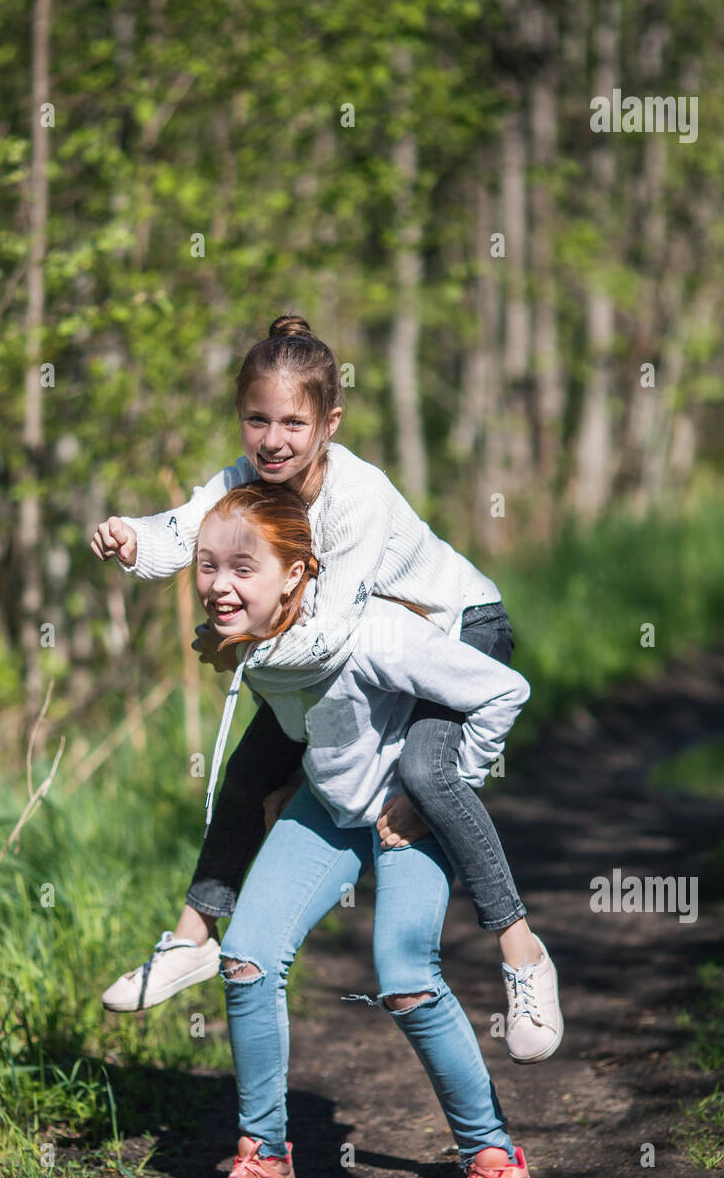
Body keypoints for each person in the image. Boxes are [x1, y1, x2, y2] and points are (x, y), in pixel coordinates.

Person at [94, 313, 562, 1063]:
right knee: (251, 771)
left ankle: (522, 952)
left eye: (292, 423)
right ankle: (191, 939)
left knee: (427, 771)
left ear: (329, 423)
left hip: (455, 627)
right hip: (347, 656)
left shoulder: (358, 498)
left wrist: (233, 646)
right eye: (256, 420)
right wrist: (132, 541)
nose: (272, 440)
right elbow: (184, 532)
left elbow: (333, 635)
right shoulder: (245, 481)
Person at [185, 481, 537, 1178]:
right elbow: (304, 716)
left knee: (405, 977)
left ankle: (496, 1163)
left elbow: (504, 691)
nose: (219, 585)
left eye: (242, 568)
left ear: (298, 572)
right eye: (207, 566)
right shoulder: (251, 640)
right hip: (328, 806)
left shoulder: (373, 632)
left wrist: (434, 786)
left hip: (407, 813)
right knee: (244, 957)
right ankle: (265, 1159)